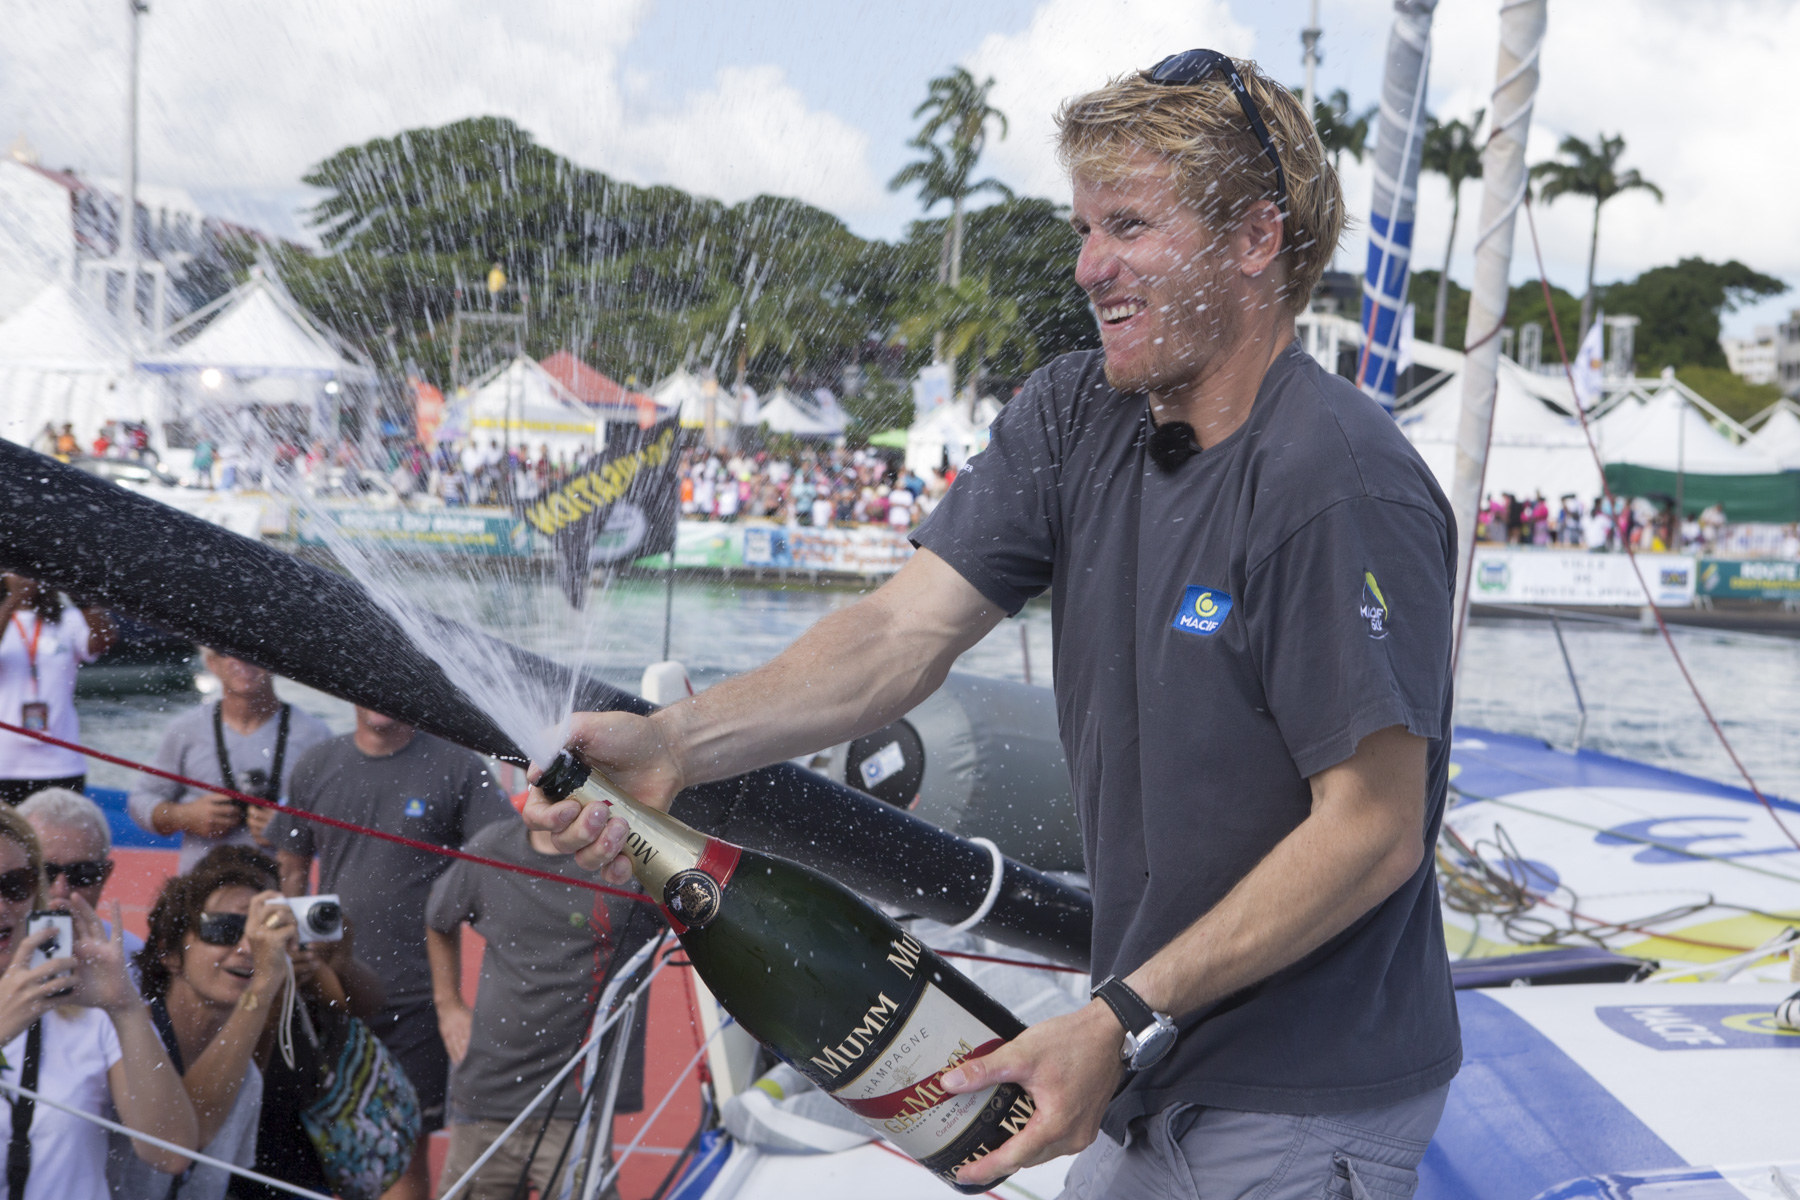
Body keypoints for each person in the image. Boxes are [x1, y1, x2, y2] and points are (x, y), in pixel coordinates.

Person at [529, 51, 1459, 1199]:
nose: (1088, 266)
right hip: (1147, 1069)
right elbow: (896, 635)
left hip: (1296, 1094)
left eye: (1127, 225)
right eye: (1083, 227)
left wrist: (1117, 1014)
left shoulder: (1336, 479)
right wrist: (675, 743)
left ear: (1255, 239)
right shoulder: (1078, 414)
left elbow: (1373, 830)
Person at [269, 707, 513, 1200]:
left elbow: (504, 856)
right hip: (331, 994)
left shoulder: (457, 766)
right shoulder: (317, 763)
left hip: (417, 999)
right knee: (317, 1143)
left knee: (401, 1154)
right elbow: (291, 862)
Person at [426, 809, 656, 1199]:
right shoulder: (491, 848)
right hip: (487, 1095)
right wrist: (447, 1003)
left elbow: (709, 923)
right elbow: (438, 917)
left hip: (577, 1104)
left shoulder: (631, 859)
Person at [0, 804, 197, 1198]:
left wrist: (124, 1009)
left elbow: (171, 1151)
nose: (2, 906)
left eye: (15, 885)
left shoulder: (84, 1002)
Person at [117, 848, 298, 1200]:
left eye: (262, 933)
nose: (248, 948)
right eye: (225, 929)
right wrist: (262, 989)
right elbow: (184, 1140)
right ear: (169, 951)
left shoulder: (246, 1079)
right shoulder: (124, 1043)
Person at [129, 648, 332, 872]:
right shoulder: (185, 730)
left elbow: (339, 821)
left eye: (254, 650)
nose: (243, 661)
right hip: (199, 889)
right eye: (227, 652)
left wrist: (290, 829)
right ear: (211, 663)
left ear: (275, 662)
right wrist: (185, 816)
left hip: (276, 894)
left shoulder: (314, 735)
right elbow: (140, 800)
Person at [0, 574, 117, 806]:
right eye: (16, 570)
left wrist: (81, 596)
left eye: (29, 570)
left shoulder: (67, 619)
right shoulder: (5, 617)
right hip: (5, 765)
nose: (24, 576)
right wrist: (13, 600)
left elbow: (105, 640)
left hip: (61, 762)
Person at [17, 787, 145, 964]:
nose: (61, 891)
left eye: (82, 873)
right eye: (45, 872)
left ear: (105, 874)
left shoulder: (134, 960)